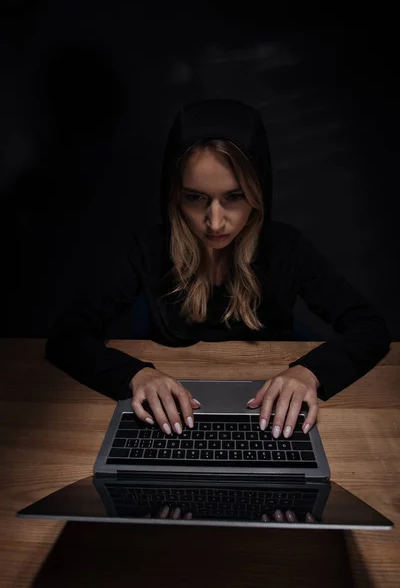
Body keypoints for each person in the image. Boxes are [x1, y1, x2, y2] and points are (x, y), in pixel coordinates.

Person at [46, 98, 392, 441]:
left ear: (258, 194)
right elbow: (67, 337)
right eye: (195, 198)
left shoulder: (286, 247)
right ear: (174, 196)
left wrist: (310, 372)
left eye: (234, 196)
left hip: (266, 418)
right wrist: (135, 375)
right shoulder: (150, 248)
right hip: (174, 417)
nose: (214, 222)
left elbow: (370, 327)